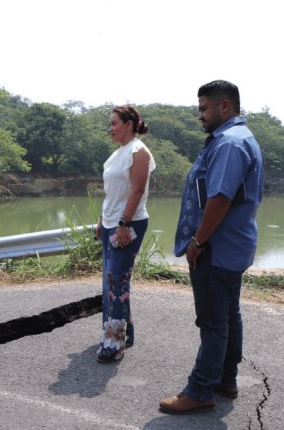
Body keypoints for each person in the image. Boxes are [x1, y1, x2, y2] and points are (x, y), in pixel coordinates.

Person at [159, 80, 264, 414]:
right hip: (233, 245)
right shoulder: (236, 138)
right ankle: (225, 379)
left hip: (217, 247)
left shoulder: (230, 143)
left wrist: (197, 242)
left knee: (213, 321)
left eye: (204, 108)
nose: (200, 115)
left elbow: (219, 198)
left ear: (225, 106)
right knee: (228, 314)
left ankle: (201, 389)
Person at [94, 105, 156, 363]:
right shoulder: (117, 154)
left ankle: (114, 343)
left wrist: (123, 224)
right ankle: (124, 332)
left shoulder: (139, 152)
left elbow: (137, 191)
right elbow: (112, 194)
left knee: (117, 281)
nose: (110, 128)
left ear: (129, 124)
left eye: (114, 123)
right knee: (111, 281)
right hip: (111, 222)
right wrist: (102, 221)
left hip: (128, 224)